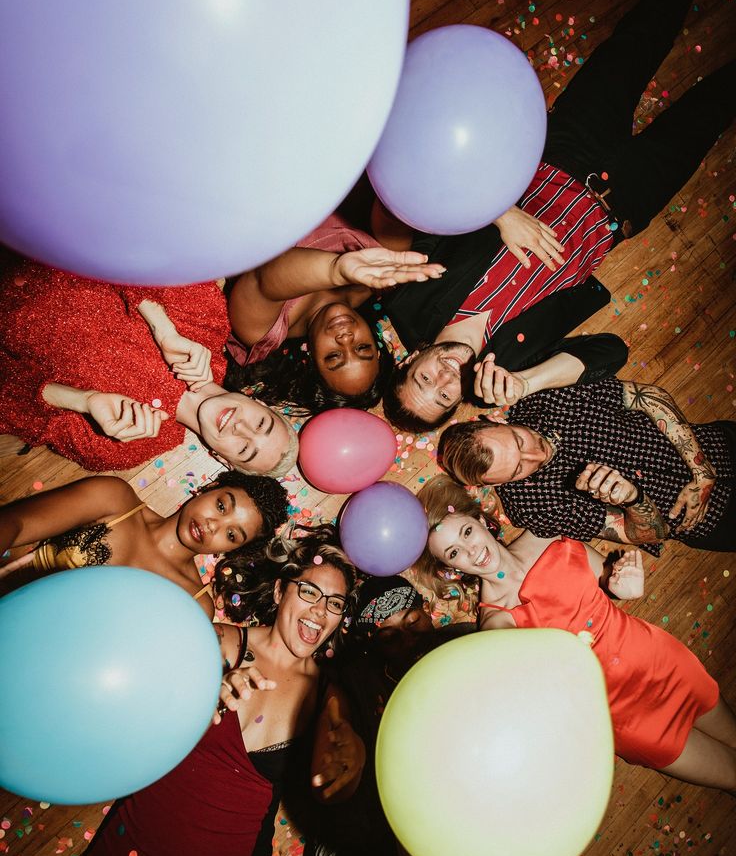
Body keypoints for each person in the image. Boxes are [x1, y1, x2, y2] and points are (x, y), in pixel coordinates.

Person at [379, 0, 736, 431]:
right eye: (443, 398)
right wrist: (528, 383)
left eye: (422, 380)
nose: (443, 378)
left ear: (408, 361)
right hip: (626, 202)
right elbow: (610, 351)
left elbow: (427, 188)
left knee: (637, 42)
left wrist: (502, 214)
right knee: (712, 111)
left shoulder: (407, 298)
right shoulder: (508, 371)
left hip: (564, 152)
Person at [53, 528, 365, 856]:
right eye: (310, 591)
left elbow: (338, 751)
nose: (321, 611)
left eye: (336, 604)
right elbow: (121, 706)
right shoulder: (215, 641)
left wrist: (352, 757)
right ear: (282, 590)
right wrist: (204, 687)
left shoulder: (328, 693)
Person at [304, 575, 544, 856]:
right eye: (392, 635)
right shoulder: (368, 692)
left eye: (414, 619)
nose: (410, 636)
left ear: (430, 612)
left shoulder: (467, 648)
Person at [415, 475, 736, 792]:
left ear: (480, 521)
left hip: (663, 664)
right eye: (454, 553)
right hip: (630, 720)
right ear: (450, 569)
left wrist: (624, 584)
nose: (471, 551)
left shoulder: (544, 535)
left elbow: (611, 582)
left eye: (467, 532)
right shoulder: (496, 624)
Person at [0, 251, 298, 475]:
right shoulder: (209, 323)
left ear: (223, 460)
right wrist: (162, 327)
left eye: (245, 449)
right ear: (257, 400)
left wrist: (84, 401)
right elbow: (129, 243)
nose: (241, 428)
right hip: (31, 242)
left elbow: (6, 400)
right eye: (261, 423)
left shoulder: (123, 448)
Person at [437, 375, 736, 552]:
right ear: (499, 484)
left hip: (720, 446)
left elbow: (647, 397)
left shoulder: (545, 397)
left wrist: (701, 471)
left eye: (518, 440)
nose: (536, 455)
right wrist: (633, 500)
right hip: (714, 520)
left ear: (496, 419)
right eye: (519, 469)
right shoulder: (532, 506)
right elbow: (649, 535)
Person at [0, 471, 288, 631]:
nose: (213, 525)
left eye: (231, 534)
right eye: (222, 506)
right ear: (210, 487)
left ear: (233, 550)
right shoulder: (114, 500)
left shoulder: (194, 605)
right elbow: (16, 523)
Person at [223, 214, 445, 413]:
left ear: (309, 359)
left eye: (334, 356)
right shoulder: (382, 277)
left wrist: (337, 270)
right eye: (362, 347)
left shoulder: (259, 332)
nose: (346, 339)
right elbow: (391, 209)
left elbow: (263, 278)